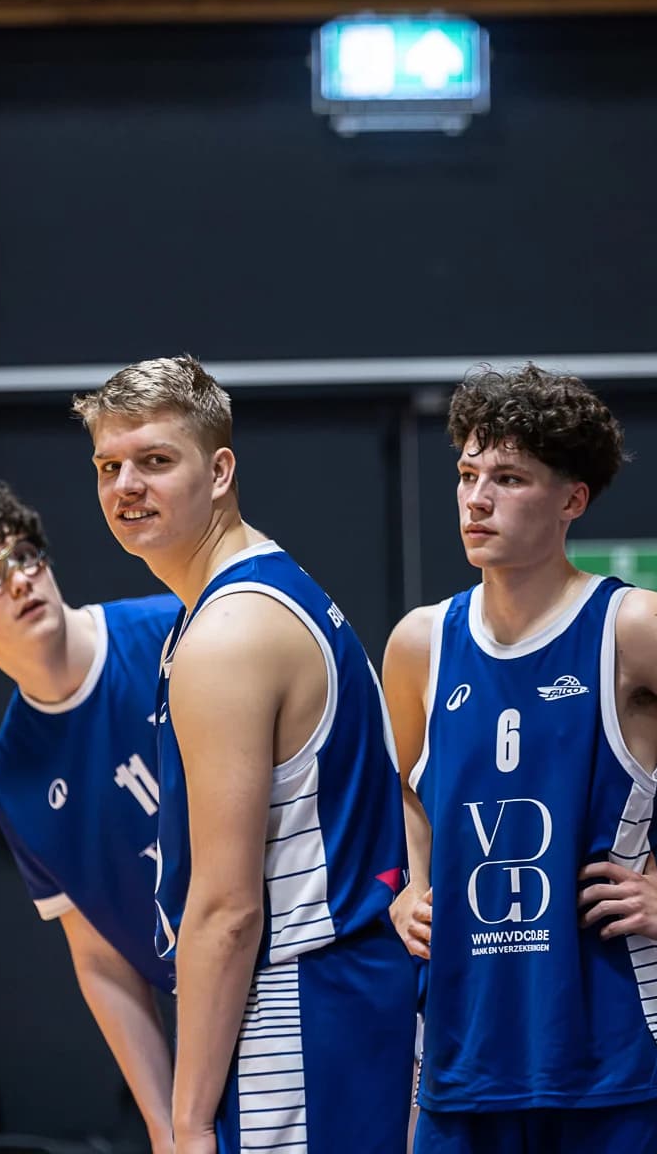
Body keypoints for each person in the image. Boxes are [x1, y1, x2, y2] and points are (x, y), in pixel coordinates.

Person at [383, 364, 657, 1153]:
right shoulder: (420, 642)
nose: (476, 498)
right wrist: (408, 889)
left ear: (572, 500)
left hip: (613, 1049)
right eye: (467, 474)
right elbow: (405, 790)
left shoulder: (635, 627)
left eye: (509, 478)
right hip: (464, 1051)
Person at [73, 355, 414, 1154]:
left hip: (302, 1011)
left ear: (220, 470)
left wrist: (187, 1120)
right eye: (108, 466)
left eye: (155, 460)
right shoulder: (260, 593)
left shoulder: (228, 632)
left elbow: (228, 909)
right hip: (346, 1003)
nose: (126, 486)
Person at [0, 482, 180, 1150]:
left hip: (317, 955)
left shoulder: (173, 632)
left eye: (25, 555)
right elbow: (101, 960)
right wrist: (164, 1124)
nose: (20, 579)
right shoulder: (15, 780)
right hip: (214, 1017)